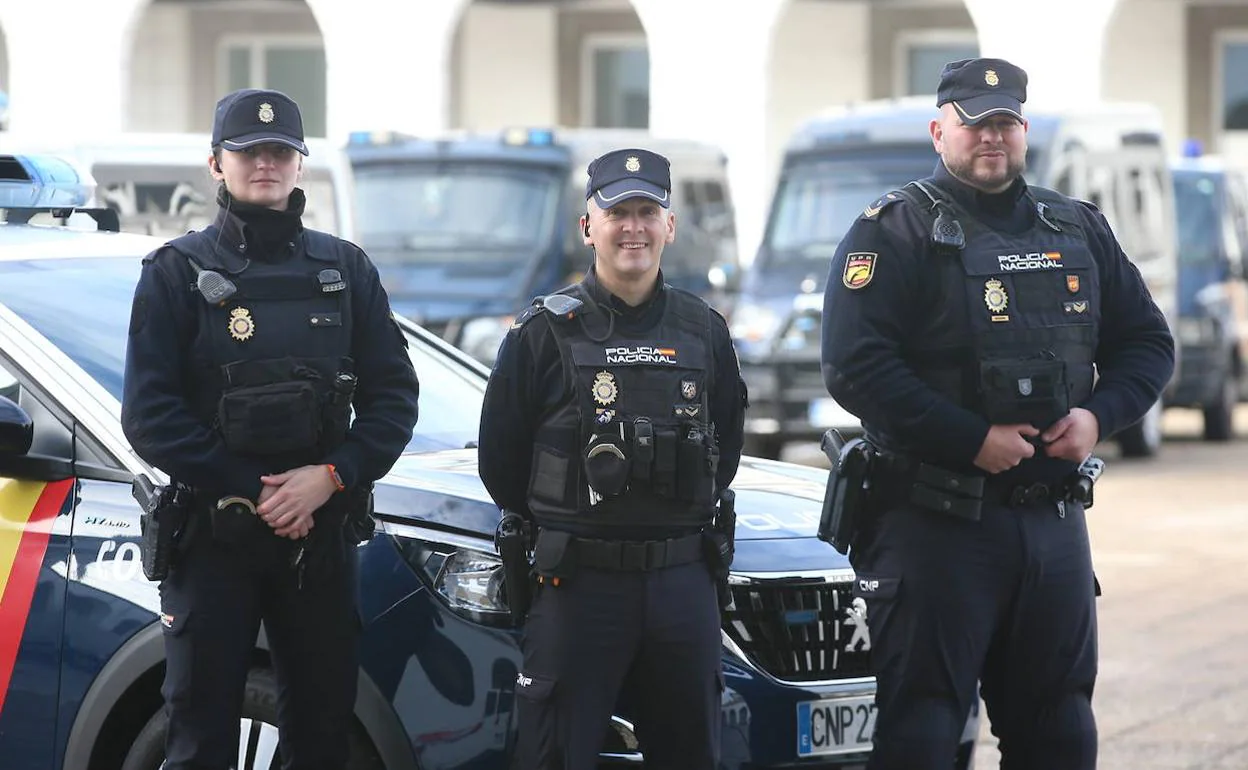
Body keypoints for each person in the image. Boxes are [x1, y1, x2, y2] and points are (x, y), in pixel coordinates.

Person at [820, 58, 1175, 769]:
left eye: (1005, 122)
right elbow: (855, 367)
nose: (991, 137)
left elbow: (1147, 343)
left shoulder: (1076, 229)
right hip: (934, 527)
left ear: (1024, 129)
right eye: (974, 123)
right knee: (923, 731)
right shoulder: (894, 232)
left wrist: (1098, 419)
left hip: (1050, 525)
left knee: (1062, 731)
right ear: (938, 131)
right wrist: (971, 438)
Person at [121, 88, 420, 770]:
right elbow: (149, 415)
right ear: (215, 164)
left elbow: (394, 398)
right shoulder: (175, 272)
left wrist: (332, 476)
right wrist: (256, 489)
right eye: (249, 152)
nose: (265, 163)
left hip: (319, 542)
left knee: (320, 740)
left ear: (300, 165)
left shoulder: (344, 271)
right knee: (199, 741)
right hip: (214, 539)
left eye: (280, 151)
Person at [478, 148, 747, 769]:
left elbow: (724, 451)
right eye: (616, 212)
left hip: (681, 584)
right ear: (587, 226)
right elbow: (502, 463)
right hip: (579, 586)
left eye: (647, 211)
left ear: (670, 226)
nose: (633, 227)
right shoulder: (541, 333)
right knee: (556, 755)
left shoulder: (704, 331)